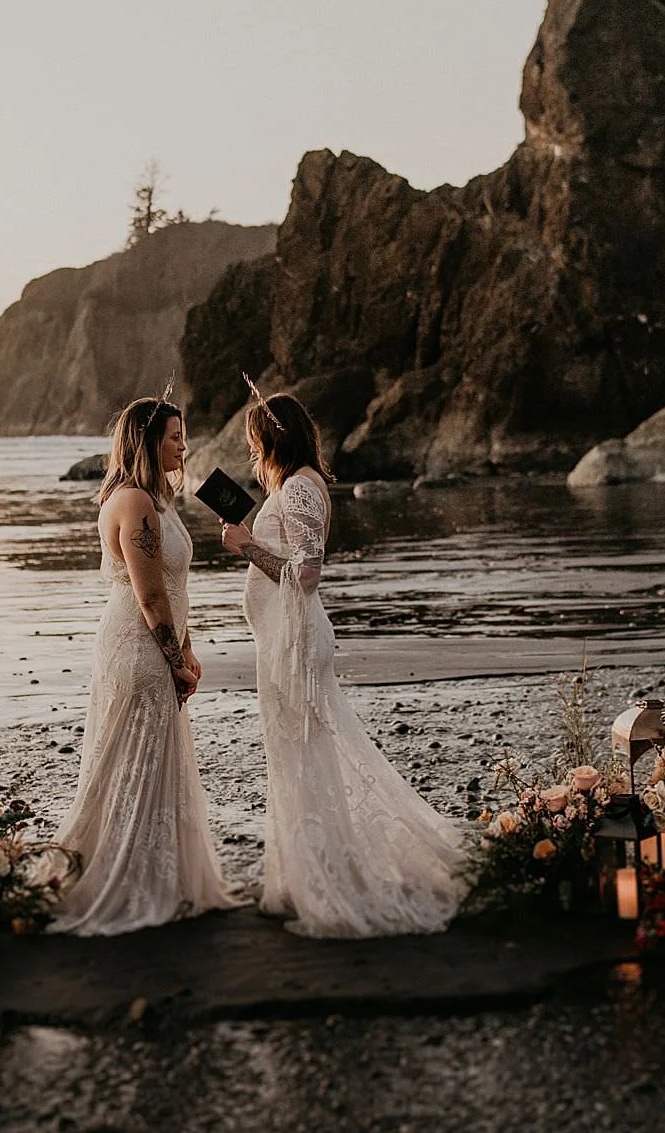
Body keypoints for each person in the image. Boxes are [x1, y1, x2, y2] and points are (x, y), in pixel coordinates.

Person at [222, 391, 467, 937]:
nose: (252, 450)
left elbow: (308, 574)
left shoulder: (301, 488)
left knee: (306, 754)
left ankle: (327, 876)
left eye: (255, 440)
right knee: (293, 756)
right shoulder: (292, 486)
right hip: (281, 637)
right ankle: (302, 873)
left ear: (271, 438)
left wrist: (243, 545)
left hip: (296, 640)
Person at [50, 397, 245, 935]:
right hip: (137, 647)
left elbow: (177, 591)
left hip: (156, 643)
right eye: (174, 437)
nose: (184, 445)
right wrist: (172, 657)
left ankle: (156, 875)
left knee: (151, 760)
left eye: (184, 436)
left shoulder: (157, 499)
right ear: (146, 441)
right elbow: (152, 596)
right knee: (131, 761)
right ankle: (124, 880)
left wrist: (189, 648)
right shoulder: (134, 502)